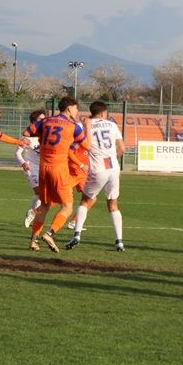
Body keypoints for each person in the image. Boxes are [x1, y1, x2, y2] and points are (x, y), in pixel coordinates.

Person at [25, 97, 87, 252]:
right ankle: (49, 233)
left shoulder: (45, 121)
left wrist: (43, 137)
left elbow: (26, 132)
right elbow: (86, 145)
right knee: (67, 206)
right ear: (69, 108)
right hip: (58, 168)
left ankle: (33, 240)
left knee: (44, 205)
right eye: (76, 108)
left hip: (43, 169)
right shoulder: (73, 126)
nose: (77, 111)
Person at [65, 101, 127, 252]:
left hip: (97, 168)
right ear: (102, 113)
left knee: (85, 201)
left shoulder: (85, 125)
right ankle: (119, 242)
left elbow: (79, 145)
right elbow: (122, 149)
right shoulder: (112, 125)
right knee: (113, 205)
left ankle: (77, 235)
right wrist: (113, 158)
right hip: (113, 168)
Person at [16, 109, 46, 227]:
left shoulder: (45, 136)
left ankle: (32, 214)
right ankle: (33, 213)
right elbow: (17, 153)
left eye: (44, 119)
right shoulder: (27, 138)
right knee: (41, 193)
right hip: (31, 168)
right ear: (34, 122)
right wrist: (23, 163)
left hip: (43, 168)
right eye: (40, 120)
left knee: (40, 195)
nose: (43, 122)